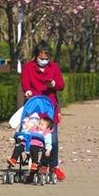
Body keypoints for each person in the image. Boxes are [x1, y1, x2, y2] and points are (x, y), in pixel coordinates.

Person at [20, 40, 65, 180]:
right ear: (36, 56)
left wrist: (54, 84)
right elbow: (25, 83)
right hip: (34, 108)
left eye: (46, 58)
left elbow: (61, 85)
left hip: (49, 107)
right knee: (32, 138)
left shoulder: (54, 67)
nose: (44, 61)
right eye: (41, 58)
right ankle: (34, 164)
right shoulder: (28, 67)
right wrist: (27, 91)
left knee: (53, 140)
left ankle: (51, 165)